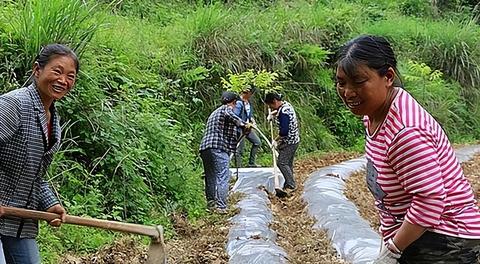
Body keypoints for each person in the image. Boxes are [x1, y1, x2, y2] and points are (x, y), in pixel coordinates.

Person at [335, 35, 480, 263]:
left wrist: (392, 251)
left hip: (447, 239)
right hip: (420, 233)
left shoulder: (405, 132)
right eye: (342, 82)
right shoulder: (374, 115)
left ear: (388, 77)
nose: (348, 92)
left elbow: (430, 200)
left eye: (358, 82)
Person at [0, 44, 78, 263]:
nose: (63, 80)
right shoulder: (13, 104)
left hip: (18, 221)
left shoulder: (53, 123)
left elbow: (34, 175)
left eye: (70, 76)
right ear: (37, 70)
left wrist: (49, 203)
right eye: (57, 71)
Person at [199, 91, 251, 213]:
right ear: (234, 102)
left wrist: (242, 131)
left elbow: (229, 131)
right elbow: (232, 117)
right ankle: (221, 206)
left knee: (210, 176)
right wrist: (244, 125)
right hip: (218, 147)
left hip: (206, 148)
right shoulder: (226, 109)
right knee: (223, 175)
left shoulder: (215, 113)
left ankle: (211, 204)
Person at [264, 92, 300, 191]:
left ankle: (291, 185)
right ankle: (288, 183)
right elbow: (279, 111)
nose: (271, 108)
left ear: (275, 101)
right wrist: (273, 114)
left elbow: (284, 131)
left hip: (290, 141)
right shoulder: (286, 105)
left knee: (282, 163)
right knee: (288, 163)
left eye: (270, 106)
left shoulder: (284, 113)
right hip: (294, 140)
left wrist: (275, 141)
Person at [233, 86, 261, 168]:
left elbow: (249, 114)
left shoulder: (248, 102)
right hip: (240, 128)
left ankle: (251, 163)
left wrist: (253, 121)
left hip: (248, 127)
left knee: (257, 142)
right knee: (239, 149)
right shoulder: (239, 103)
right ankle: (239, 168)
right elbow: (235, 116)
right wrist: (243, 123)